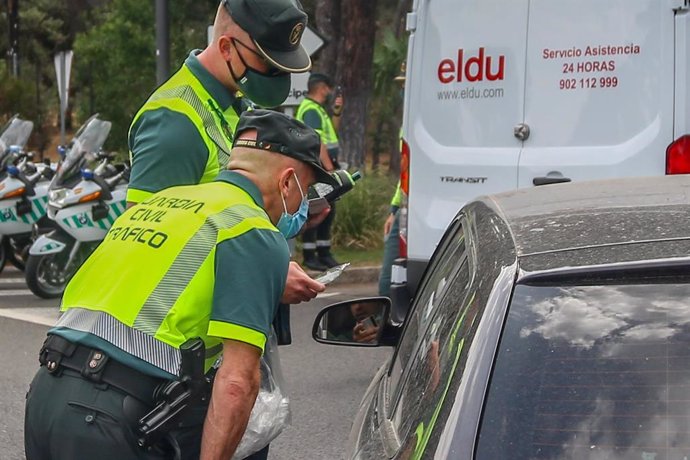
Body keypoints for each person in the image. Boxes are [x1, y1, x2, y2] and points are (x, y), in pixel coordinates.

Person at [24, 110, 340, 460]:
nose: (303, 204)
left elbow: (162, 283)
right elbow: (237, 383)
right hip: (107, 419)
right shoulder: (252, 229)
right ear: (286, 182)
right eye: (306, 189)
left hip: (45, 398)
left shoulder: (163, 201)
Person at [127, 0, 324, 307]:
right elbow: (146, 247)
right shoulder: (175, 121)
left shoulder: (236, 104)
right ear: (227, 47)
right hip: (187, 340)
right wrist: (263, 273)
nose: (275, 74)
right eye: (267, 62)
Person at [295, 72, 342, 270]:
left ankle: (324, 253)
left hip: (323, 165)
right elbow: (317, 139)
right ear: (322, 88)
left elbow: (332, 135)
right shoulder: (311, 110)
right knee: (317, 207)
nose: (330, 93)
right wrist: (328, 168)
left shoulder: (318, 110)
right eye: (329, 88)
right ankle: (310, 255)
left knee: (328, 210)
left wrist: (337, 112)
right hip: (318, 167)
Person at [378, 63, 406, 297]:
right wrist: (394, 209)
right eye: (401, 86)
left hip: (412, 207)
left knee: (389, 284)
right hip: (405, 205)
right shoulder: (409, 122)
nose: (403, 90)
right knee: (390, 282)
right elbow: (405, 175)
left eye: (405, 85)